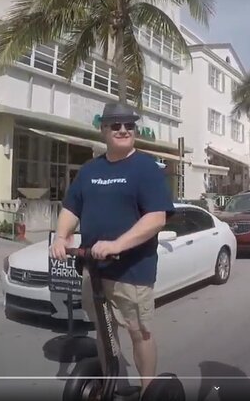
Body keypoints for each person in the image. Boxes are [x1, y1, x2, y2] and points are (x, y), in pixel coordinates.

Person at [49, 102, 175, 394]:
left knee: (139, 332)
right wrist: (60, 237)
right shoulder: (90, 170)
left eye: (129, 125)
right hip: (94, 270)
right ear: (103, 129)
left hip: (132, 271)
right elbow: (71, 208)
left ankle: (147, 389)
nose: (123, 130)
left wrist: (117, 244)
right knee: (105, 334)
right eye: (115, 125)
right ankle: (112, 385)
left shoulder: (145, 167)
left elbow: (156, 218)